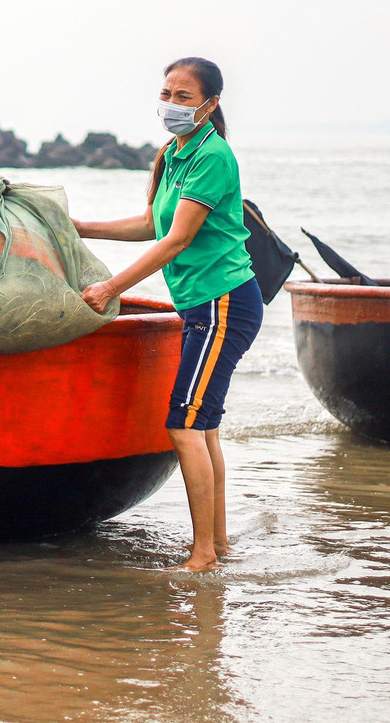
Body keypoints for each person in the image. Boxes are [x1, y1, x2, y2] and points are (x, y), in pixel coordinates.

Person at [74, 57, 263, 572]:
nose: (172, 105)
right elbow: (152, 223)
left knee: (184, 426)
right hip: (205, 304)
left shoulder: (213, 156)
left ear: (211, 104)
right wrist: (80, 228)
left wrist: (111, 287)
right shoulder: (175, 153)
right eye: (167, 94)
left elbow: (178, 239)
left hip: (222, 303)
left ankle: (202, 555)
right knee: (204, 428)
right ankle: (217, 543)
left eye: (184, 97)